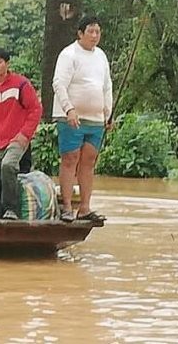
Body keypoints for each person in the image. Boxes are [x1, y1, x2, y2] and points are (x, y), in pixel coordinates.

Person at [52, 15, 113, 223]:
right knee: (70, 159)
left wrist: (108, 112)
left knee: (89, 161)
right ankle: (67, 207)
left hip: (96, 119)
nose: (95, 36)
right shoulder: (69, 54)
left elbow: (107, 86)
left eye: (98, 32)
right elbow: (59, 83)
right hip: (71, 117)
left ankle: (85, 208)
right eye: (90, 31)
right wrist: (69, 109)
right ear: (80, 33)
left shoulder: (101, 56)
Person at [0, 48, 43, 220]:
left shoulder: (21, 84)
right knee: (0, 172)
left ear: (7, 64)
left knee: (8, 165)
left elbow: (35, 110)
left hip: (17, 138)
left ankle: (11, 209)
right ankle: (0, 210)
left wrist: (25, 134)